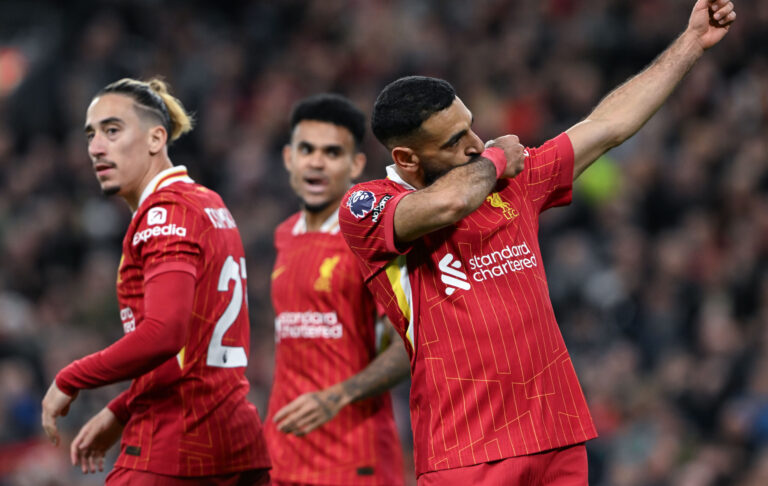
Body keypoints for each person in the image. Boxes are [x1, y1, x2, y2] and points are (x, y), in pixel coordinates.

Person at [338, 1, 736, 484]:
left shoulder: (511, 183)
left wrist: (692, 42)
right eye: (453, 141)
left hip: (556, 431)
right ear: (406, 158)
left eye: (470, 126)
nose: (474, 143)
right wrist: (497, 160)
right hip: (466, 450)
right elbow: (449, 204)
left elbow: (607, 126)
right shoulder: (369, 206)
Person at [41, 78, 271, 485]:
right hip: (235, 442)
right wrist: (121, 410)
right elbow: (188, 351)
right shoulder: (207, 202)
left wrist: (71, 377)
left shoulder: (164, 213)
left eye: (112, 130)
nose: (96, 147)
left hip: (177, 443)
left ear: (156, 138)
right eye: (91, 135)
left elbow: (165, 333)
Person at [266, 94, 410, 485]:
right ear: (289, 158)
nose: (316, 162)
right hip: (283, 457)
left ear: (356, 164)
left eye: (332, 152)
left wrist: (338, 396)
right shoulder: (284, 235)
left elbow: (408, 346)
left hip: (353, 460)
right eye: (307, 150)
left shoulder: (372, 240)